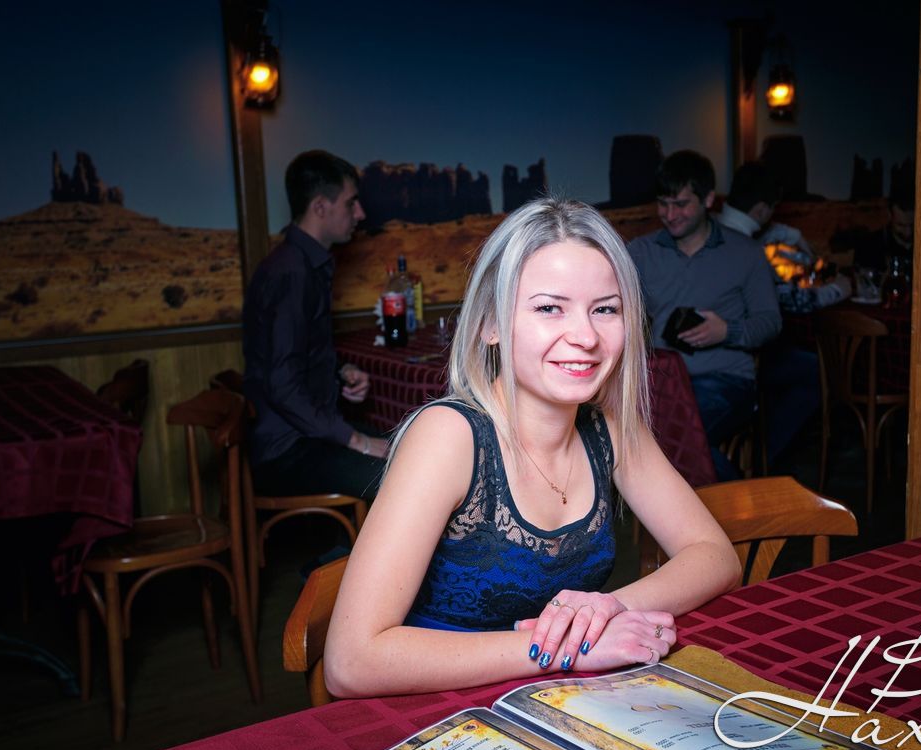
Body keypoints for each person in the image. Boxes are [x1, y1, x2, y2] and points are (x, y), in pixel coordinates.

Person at [323, 198, 741, 698]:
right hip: (437, 710)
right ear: (490, 324)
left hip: (552, 699)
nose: (585, 336)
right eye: (549, 308)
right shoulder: (448, 436)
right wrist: (566, 648)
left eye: (605, 309)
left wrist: (607, 608)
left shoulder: (609, 424)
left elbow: (716, 556)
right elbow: (350, 663)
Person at [242, 150, 389, 510]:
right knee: (410, 477)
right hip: (287, 451)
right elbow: (282, 385)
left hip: (305, 437)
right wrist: (356, 441)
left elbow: (294, 355)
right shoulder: (291, 273)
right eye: (351, 203)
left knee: (413, 449)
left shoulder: (301, 264)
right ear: (320, 207)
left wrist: (341, 371)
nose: (360, 213)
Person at [627, 150, 781, 480]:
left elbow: (770, 322)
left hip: (725, 379)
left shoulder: (745, 253)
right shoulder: (640, 252)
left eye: (681, 204)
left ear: (708, 199)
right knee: (644, 432)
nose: (670, 214)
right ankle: (742, 503)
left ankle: (731, 507)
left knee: (672, 434)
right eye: (663, 204)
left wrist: (727, 331)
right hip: (659, 381)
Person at [718, 162, 848, 464]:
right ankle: (766, 455)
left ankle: (764, 447)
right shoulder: (747, 249)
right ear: (762, 209)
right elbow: (790, 301)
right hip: (741, 359)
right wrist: (839, 290)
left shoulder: (713, 230)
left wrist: (787, 232)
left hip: (716, 353)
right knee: (817, 370)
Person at [719, 162, 851, 313]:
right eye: (773, 207)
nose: (772, 214)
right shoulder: (751, 255)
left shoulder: (709, 229)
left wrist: (794, 235)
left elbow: (762, 229)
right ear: (761, 210)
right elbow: (795, 300)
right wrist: (839, 288)